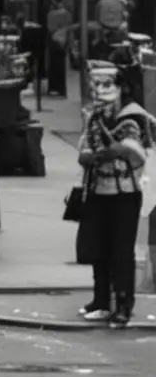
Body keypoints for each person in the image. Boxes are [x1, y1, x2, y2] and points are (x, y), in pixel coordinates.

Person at [75, 63, 151, 328]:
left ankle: (123, 306)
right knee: (98, 249)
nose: (99, 90)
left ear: (120, 88)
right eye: (95, 85)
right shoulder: (94, 115)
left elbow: (137, 151)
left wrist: (116, 150)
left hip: (125, 194)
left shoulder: (134, 116)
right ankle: (100, 302)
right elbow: (83, 146)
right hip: (97, 190)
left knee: (121, 251)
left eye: (107, 85)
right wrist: (88, 157)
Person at [46, 0, 73, 98]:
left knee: (52, 64)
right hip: (63, 40)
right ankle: (61, 88)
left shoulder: (51, 14)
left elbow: (50, 28)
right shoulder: (66, 13)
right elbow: (69, 28)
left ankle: (53, 87)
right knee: (61, 65)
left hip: (54, 40)